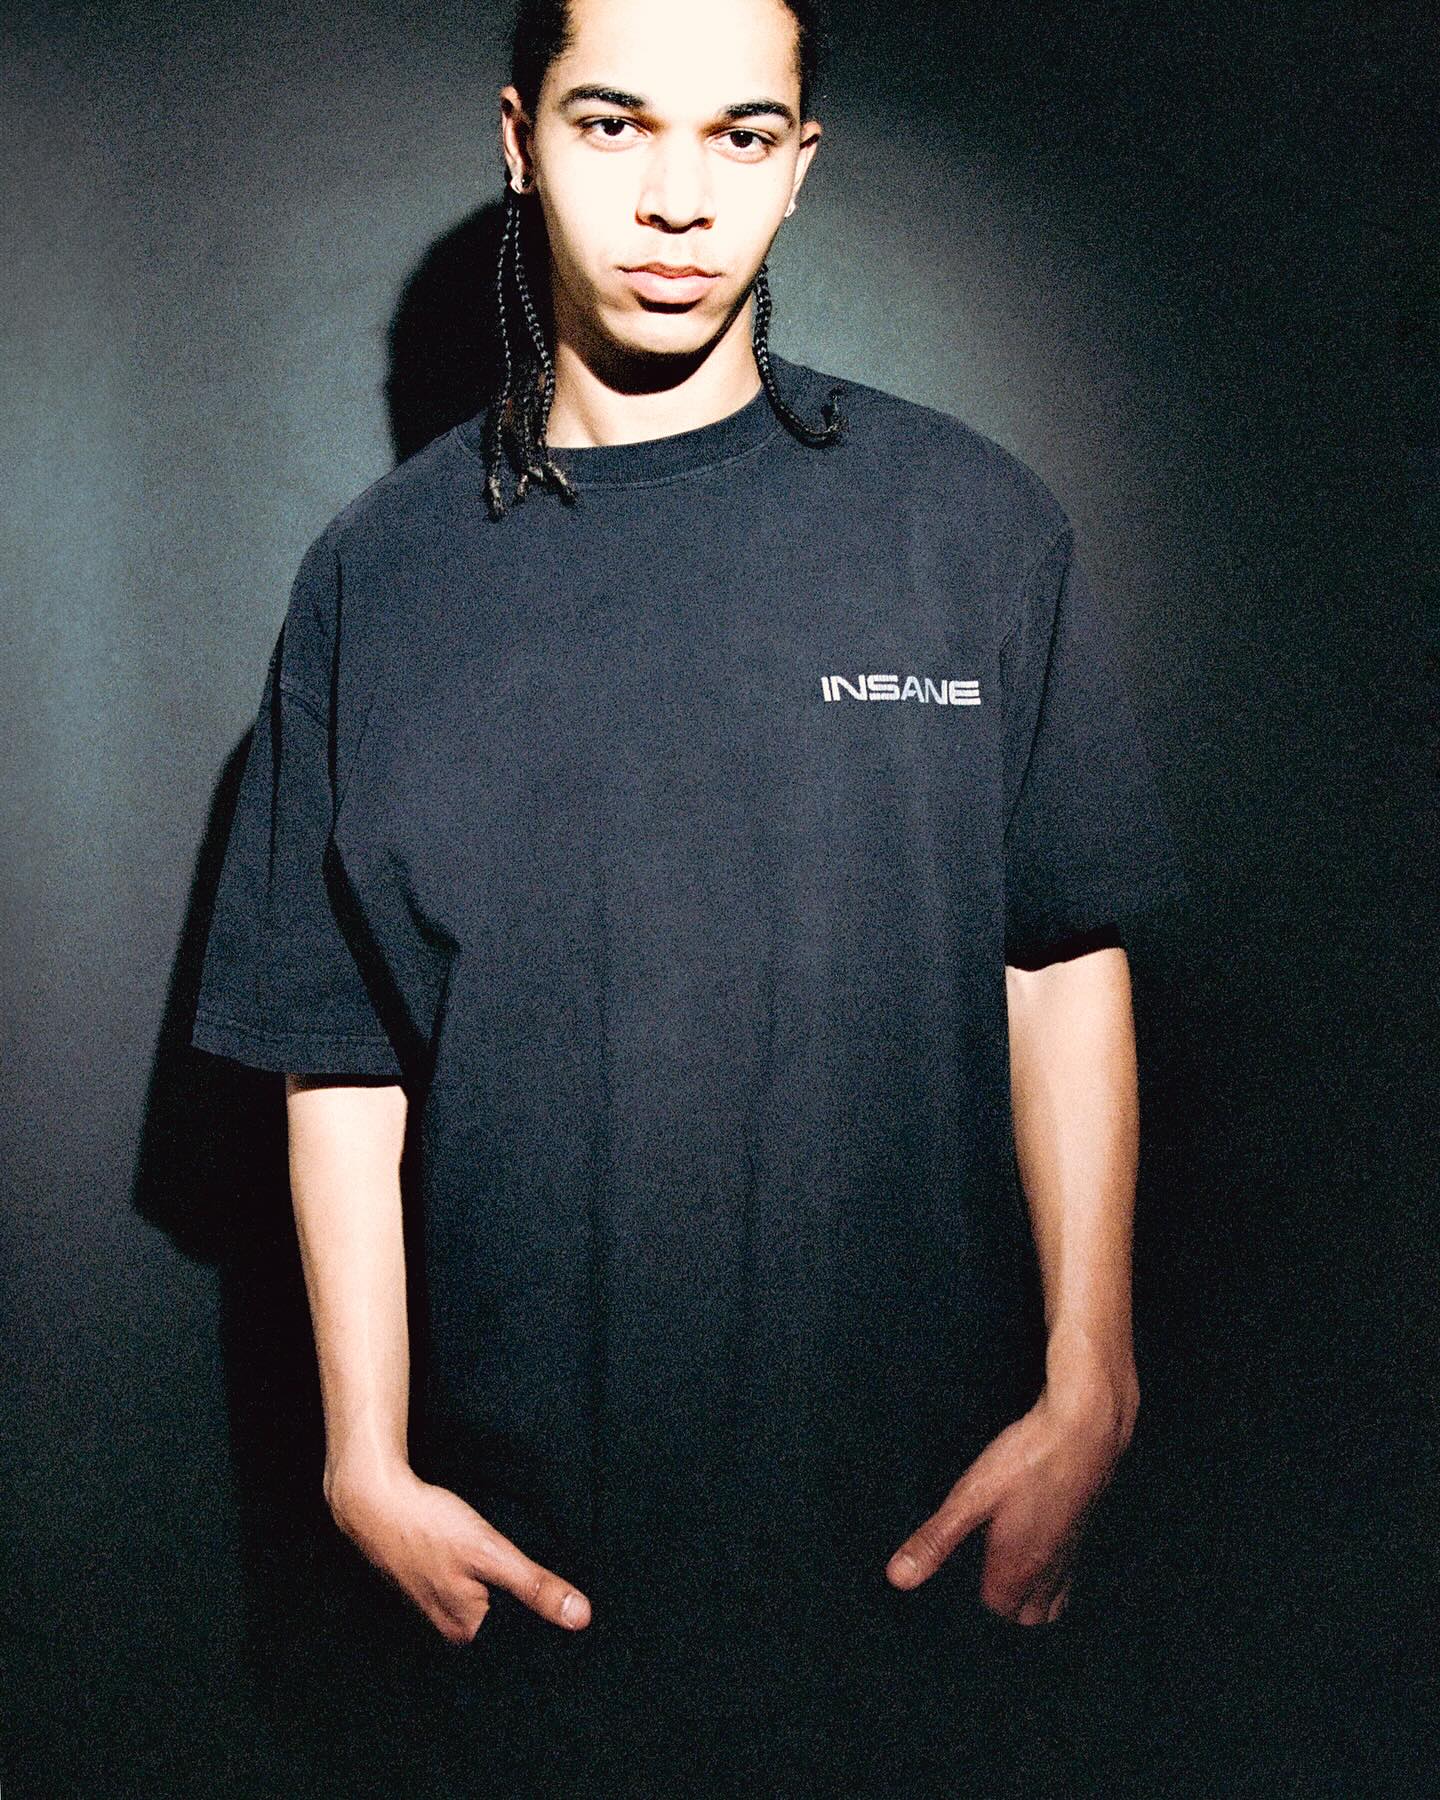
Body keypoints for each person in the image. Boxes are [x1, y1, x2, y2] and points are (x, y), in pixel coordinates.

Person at [190, 0, 1190, 1791]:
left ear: (799, 166)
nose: (677, 197)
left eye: (737, 135)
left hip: (929, 1542)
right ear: (521, 142)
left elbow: (1058, 955)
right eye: (614, 124)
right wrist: (365, 1463)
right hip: (531, 1578)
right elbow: (336, 1051)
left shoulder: (968, 526)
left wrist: (1091, 1385)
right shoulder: (378, 578)